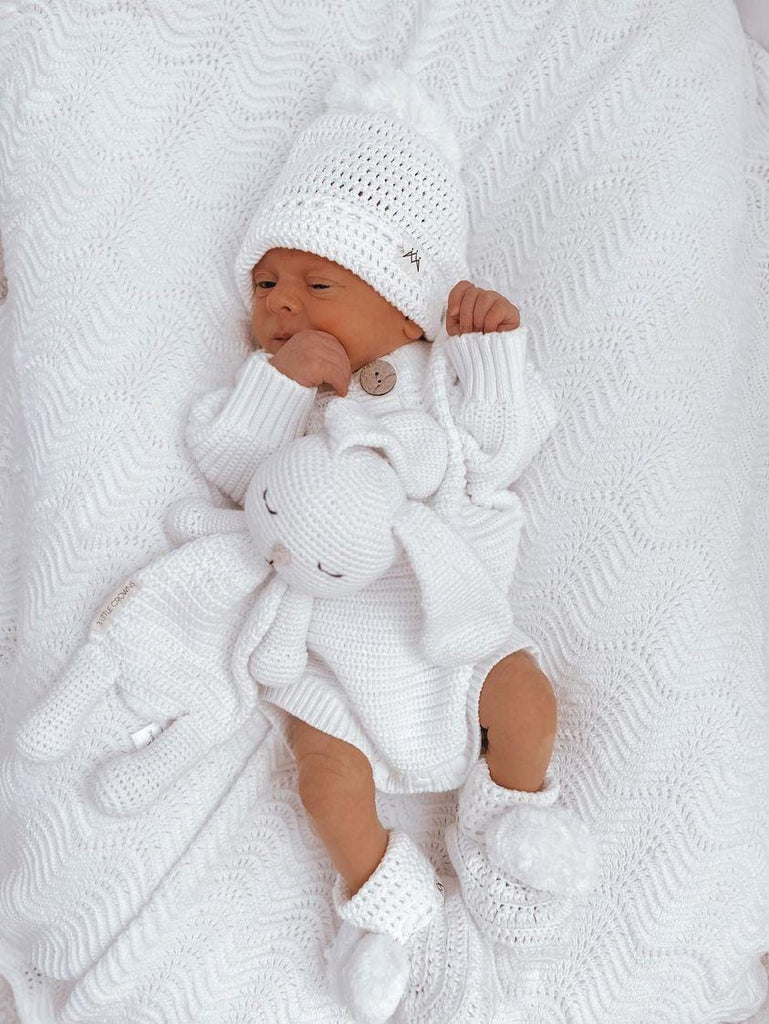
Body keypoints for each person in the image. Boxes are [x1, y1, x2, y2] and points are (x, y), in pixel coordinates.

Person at [185, 60, 598, 1023]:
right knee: (327, 783)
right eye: (265, 282)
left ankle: (507, 827)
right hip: (332, 661)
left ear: (404, 303)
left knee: (525, 700)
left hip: (457, 638)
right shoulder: (284, 395)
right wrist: (277, 385)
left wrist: (489, 354)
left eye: (317, 281)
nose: (281, 303)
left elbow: (503, 446)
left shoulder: (438, 384)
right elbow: (231, 467)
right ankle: (382, 905)